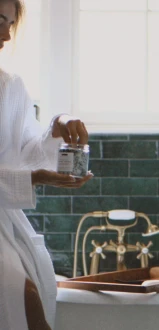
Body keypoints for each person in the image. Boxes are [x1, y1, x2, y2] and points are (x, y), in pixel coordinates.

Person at [0, 0, 93, 329]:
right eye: (0, 21)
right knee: (19, 292)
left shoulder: (11, 86)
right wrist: (34, 177)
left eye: (10, 25)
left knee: (35, 286)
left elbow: (28, 146)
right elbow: (28, 169)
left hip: (5, 225)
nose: (6, 36)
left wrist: (57, 125)